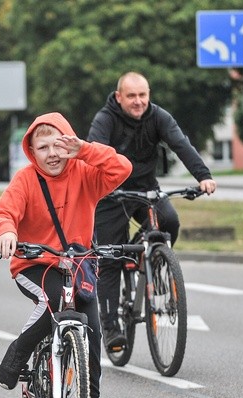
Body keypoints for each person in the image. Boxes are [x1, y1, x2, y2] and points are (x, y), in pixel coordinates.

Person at [0, 112, 132, 398]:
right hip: (34, 263)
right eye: (42, 147)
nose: (52, 153)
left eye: (59, 144)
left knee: (92, 332)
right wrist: (7, 233)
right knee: (53, 300)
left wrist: (85, 150)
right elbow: (2, 214)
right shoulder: (25, 180)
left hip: (77, 265)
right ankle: (19, 351)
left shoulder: (85, 172)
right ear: (31, 151)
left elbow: (121, 168)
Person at [87, 72, 217, 350]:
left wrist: (203, 176)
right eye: (131, 96)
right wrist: (99, 185)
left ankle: (153, 256)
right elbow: (94, 154)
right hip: (112, 193)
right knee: (110, 257)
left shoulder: (158, 117)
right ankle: (111, 328)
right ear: (119, 96)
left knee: (169, 222)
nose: (138, 101)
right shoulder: (105, 119)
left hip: (146, 189)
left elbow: (181, 144)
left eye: (143, 95)